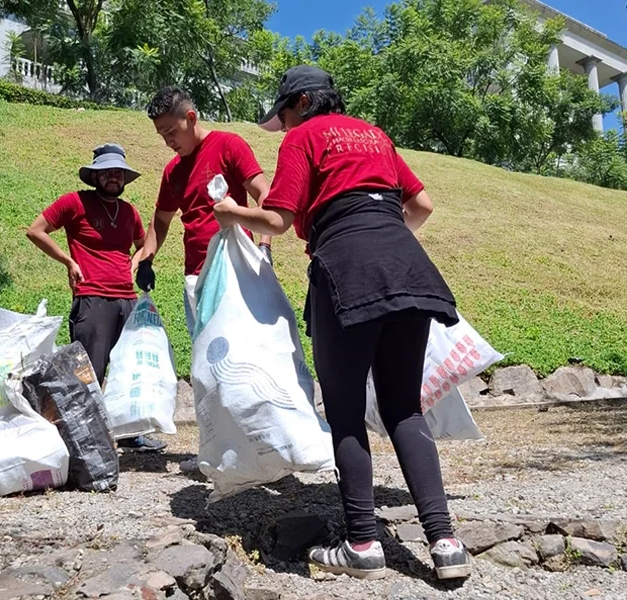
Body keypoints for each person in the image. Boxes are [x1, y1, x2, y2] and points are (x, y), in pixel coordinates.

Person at [212, 65, 472, 581]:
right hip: (407, 266)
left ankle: (362, 544)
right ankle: (445, 544)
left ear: (303, 102)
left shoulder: (303, 137)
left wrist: (229, 211)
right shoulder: (375, 134)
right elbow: (421, 204)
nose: (283, 128)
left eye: (283, 115)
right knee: (403, 409)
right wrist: (382, 233)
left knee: (346, 409)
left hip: (345, 270)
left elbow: (279, 219)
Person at [26, 143, 167, 453]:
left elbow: (145, 244)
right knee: (89, 371)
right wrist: (69, 261)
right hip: (92, 297)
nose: (113, 177)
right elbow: (36, 231)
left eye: (118, 172)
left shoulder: (129, 211)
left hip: (127, 299)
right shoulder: (74, 203)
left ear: (125, 178)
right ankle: (81, 440)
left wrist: (137, 263)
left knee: (127, 371)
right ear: (96, 175)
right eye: (107, 172)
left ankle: (129, 434)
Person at [135, 86, 272, 338]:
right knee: (205, 351)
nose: (168, 142)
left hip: (236, 271)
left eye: (171, 132)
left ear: (190, 118)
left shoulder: (228, 145)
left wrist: (264, 247)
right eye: (162, 135)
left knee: (240, 350)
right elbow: (161, 220)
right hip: (195, 275)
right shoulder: (173, 171)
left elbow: (265, 195)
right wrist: (147, 259)